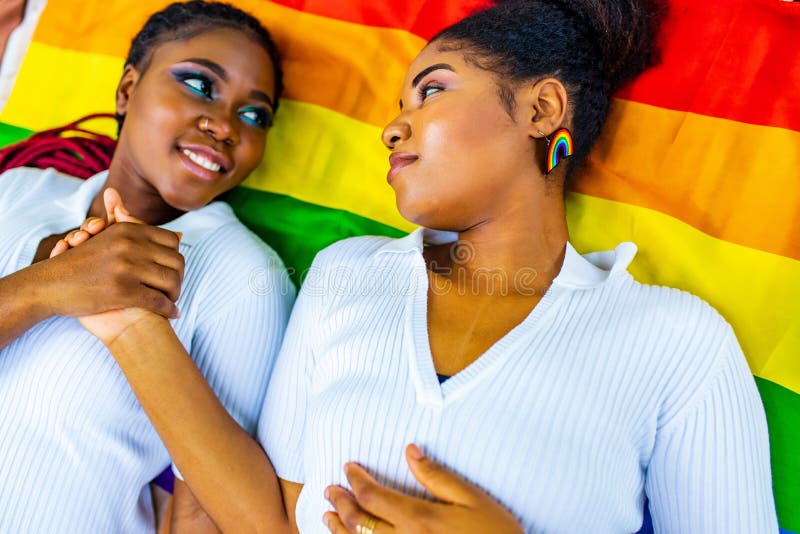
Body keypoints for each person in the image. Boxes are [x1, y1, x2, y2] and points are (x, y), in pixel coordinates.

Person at [73, 0, 778, 532]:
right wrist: (133, 327)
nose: (391, 127)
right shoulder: (345, 275)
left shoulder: (677, 340)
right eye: (398, 104)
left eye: (431, 91)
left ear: (542, 108)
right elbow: (271, 516)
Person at [0, 1, 293, 531]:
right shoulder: (20, 189)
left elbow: (206, 512)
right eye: (201, 85)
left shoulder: (244, 274)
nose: (226, 125)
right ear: (128, 89)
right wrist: (44, 288)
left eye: (255, 115)